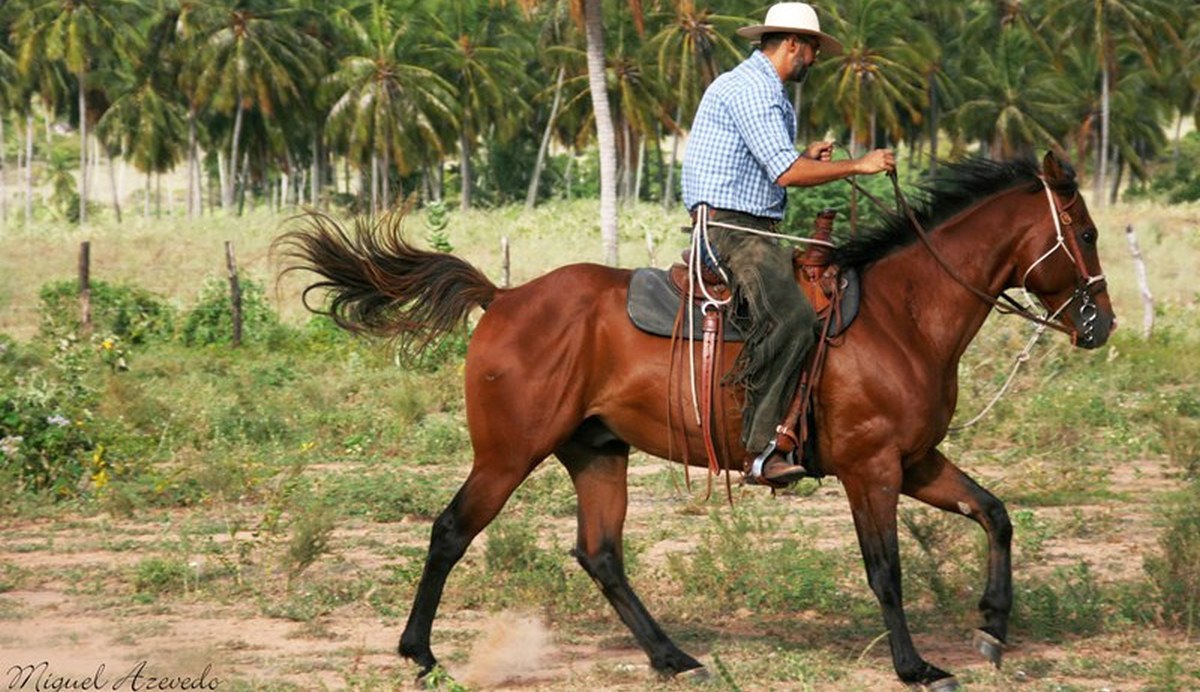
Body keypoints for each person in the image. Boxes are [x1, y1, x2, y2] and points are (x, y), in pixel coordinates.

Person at [681, 2, 895, 485]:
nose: (814, 60)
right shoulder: (754, 89)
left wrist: (804, 156)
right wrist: (856, 165)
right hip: (730, 231)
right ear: (793, 44)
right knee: (793, 318)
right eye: (813, 49)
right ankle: (760, 451)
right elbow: (785, 173)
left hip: (751, 225)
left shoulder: (764, 90)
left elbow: (775, 165)